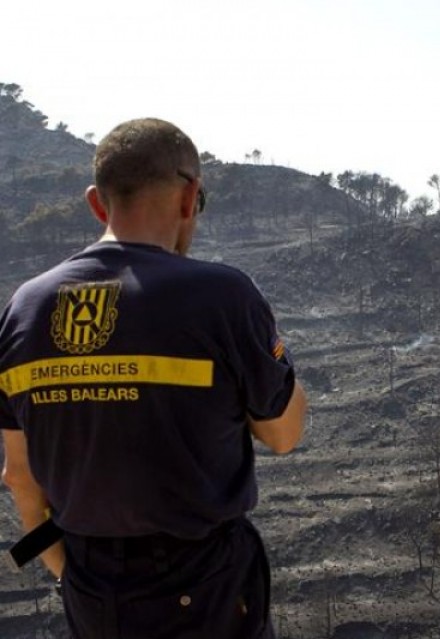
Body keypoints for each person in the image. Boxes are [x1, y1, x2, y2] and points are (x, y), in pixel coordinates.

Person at [0, 118, 307, 638]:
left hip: (93, 593)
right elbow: (283, 434)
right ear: (189, 197)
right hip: (206, 588)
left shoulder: (24, 309)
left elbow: (19, 478)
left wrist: (73, 575)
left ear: (97, 203)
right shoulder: (222, 296)